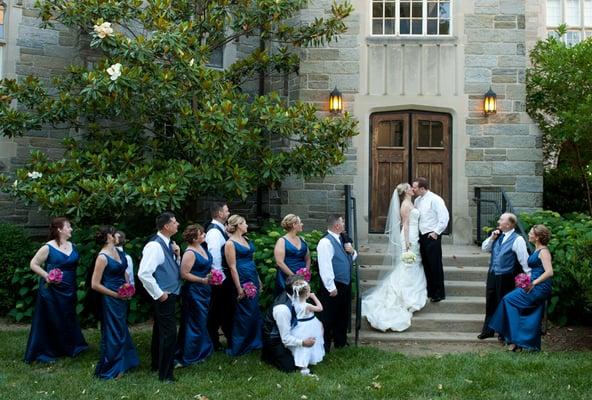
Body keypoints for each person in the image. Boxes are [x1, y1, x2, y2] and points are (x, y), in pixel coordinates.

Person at [362, 183, 427, 331]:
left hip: (415, 236)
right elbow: (405, 225)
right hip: (409, 237)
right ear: (405, 191)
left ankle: (411, 290)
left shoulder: (412, 202)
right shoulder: (405, 205)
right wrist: (408, 244)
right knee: (407, 265)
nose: (412, 189)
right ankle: (405, 295)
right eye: (410, 187)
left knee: (413, 265)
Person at [24, 217, 88, 363]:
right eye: (68, 226)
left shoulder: (73, 246)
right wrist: (47, 276)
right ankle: (50, 349)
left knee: (68, 316)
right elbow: (33, 264)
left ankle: (70, 346)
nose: (71, 229)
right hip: (51, 289)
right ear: (60, 229)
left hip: (69, 287)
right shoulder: (48, 247)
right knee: (52, 317)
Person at [489, 225, 554, 351]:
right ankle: (517, 342)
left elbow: (549, 272)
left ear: (537, 237)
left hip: (539, 287)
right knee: (512, 304)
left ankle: (514, 340)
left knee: (508, 300)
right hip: (533, 284)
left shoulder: (544, 252)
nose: (528, 234)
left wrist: (533, 283)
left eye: (531, 233)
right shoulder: (537, 250)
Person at [91, 225, 140, 379]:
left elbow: (123, 271)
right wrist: (115, 294)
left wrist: (128, 287)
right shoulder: (102, 257)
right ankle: (112, 366)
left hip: (122, 296)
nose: (117, 235)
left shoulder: (116, 252)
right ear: (109, 237)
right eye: (114, 233)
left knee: (121, 328)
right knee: (113, 331)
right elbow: (95, 284)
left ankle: (125, 362)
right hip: (111, 298)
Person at [138, 212, 181, 382]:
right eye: (174, 222)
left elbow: (171, 268)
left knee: (160, 332)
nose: (177, 224)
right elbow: (144, 273)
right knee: (169, 334)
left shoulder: (168, 244)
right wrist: (160, 294)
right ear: (166, 226)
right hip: (164, 295)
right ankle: (166, 374)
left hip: (171, 293)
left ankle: (157, 364)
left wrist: (177, 255)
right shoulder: (154, 246)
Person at [478, 213, 530, 340]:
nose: (498, 221)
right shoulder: (496, 235)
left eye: (501, 220)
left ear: (508, 224)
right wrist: (492, 238)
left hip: (506, 276)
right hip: (493, 274)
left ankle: (503, 332)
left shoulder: (518, 239)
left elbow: (524, 260)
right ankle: (488, 330)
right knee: (490, 301)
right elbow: (484, 248)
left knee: (503, 302)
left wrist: (529, 277)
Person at [175, 224, 214, 366]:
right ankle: (190, 354)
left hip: (205, 289)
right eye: (201, 234)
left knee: (202, 320)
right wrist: (202, 280)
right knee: (194, 321)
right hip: (194, 291)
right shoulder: (190, 253)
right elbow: (184, 274)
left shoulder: (202, 248)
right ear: (194, 238)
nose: (204, 235)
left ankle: (201, 350)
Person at [317, 214, 357, 352]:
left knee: (342, 314)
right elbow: (325, 266)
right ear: (337, 225)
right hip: (334, 284)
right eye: (342, 222)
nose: (344, 224)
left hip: (344, 283)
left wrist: (352, 251)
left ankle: (341, 342)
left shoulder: (342, 239)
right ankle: (325, 345)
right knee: (329, 315)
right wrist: (330, 287)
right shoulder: (325, 242)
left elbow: (351, 256)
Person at [224, 215, 263, 356]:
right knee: (244, 311)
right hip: (242, 276)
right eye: (244, 223)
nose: (247, 225)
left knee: (254, 309)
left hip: (252, 274)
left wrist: (258, 278)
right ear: (238, 225)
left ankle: (254, 340)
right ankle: (241, 344)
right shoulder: (230, 244)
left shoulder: (246, 240)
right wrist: (239, 287)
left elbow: (252, 261)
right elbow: (232, 267)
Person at [261, 274, 316, 373]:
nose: (308, 293)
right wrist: (303, 342)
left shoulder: (293, 297)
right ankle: (270, 354)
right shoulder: (282, 309)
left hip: (290, 330)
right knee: (290, 368)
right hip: (275, 338)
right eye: (306, 291)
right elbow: (285, 338)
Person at [412, 177, 449, 302]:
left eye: (415, 187)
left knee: (435, 264)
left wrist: (436, 232)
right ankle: (430, 290)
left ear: (422, 188)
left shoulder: (435, 199)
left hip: (432, 235)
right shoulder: (417, 200)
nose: (413, 189)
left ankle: (439, 293)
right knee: (426, 264)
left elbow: (444, 217)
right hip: (421, 236)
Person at [205, 202, 233, 350]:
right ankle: (213, 341)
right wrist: (219, 277)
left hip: (222, 275)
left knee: (221, 309)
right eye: (227, 211)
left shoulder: (220, 230)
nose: (228, 213)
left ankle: (219, 339)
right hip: (220, 278)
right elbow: (214, 254)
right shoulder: (214, 232)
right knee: (217, 309)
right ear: (220, 213)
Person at [290, 280, 325, 376]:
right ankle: (304, 366)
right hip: (309, 326)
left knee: (301, 346)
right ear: (307, 293)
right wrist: (314, 297)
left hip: (299, 326)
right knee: (309, 345)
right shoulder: (307, 305)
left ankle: (300, 362)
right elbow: (320, 308)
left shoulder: (294, 302)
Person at [274, 214, 311, 294]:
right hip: (286, 277)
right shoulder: (282, 241)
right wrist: (294, 277)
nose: (302, 224)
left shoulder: (302, 239)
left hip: (302, 277)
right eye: (300, 222)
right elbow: (279, 262)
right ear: (294, 225)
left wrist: (306, 272)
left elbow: (307, 258)